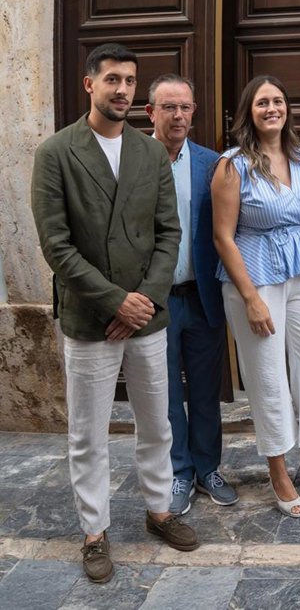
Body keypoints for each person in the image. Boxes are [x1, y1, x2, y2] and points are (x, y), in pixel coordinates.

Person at [31, 43, 199, 583]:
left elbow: (169, 233)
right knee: (88, 433)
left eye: (129, 80)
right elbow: (56, 245)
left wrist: (141, 300)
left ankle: (159, 511)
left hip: (146, 317)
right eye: (112, 79)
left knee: (157, 423)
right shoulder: (56, 153)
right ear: (90, 84)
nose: (122, 89)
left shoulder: (150, 153)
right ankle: (94, 532)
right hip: (90, 320)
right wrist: (113, 300)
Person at [212, 75, 300, 519]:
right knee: (268, 374)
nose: (271, 108)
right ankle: (277, 469)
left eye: (278, 101)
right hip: (255, 276)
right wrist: (250, 297)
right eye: (262, 102)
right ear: (249, 112)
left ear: (287, 108)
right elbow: (223, 237)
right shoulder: (233, 165)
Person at [146, 73, 236, 514]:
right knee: (164, 394)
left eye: (185, 107)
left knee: (204, 391)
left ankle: (208, 468)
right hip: (155, 301)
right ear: (151, 113)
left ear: (194, 111)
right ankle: (178, 472)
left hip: (202, 296)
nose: (178, 116)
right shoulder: (133, 160)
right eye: (169, 107)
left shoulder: (212, 164)